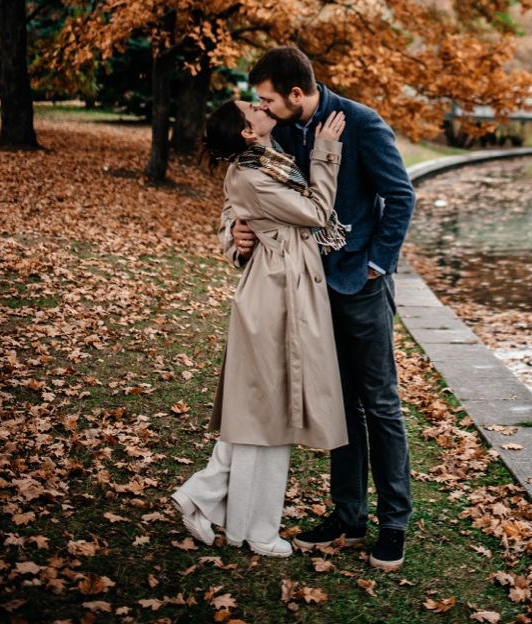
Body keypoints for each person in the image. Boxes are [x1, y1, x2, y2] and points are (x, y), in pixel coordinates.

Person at [220, 46, 416, 572]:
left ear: (295, 94)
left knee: (380, 404)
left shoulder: (361, 124)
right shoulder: (277, 130)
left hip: (362, 286)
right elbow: (241, 195)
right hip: (306, 294)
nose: (261, 108)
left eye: (267, 99)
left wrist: (377, 264)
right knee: (340, 404)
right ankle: (349, 518)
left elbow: (401, 197)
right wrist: (235, 235)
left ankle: (393, 523)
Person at [171, 97, 348, 556]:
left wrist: (237, 226)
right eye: (252, 106)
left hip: (283, 289)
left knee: (263, 413)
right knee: (266, 416)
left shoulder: (268, 156)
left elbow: (240, 208)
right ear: (247, 132)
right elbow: (315, 212)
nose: (261, 104)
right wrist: (326, 153)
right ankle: (253, 529)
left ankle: (211, 503)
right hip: (274, 295)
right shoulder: (252, 171)